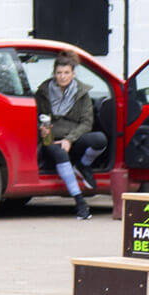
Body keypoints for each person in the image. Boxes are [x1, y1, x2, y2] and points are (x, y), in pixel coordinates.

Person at [36, 54, 108, 219]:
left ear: (73, 73)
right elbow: (36, 116)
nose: (62, 76)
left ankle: (83, 165)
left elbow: (86, 123)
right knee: (60, 153)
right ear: (54, 73)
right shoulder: (43, 92)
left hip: (73, 139)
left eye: (66, 72)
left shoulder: (82, 93)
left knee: (100, 139)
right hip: (51, 140)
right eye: (59, 73)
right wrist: (41, 130)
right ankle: (80, 202)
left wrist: (69, 139)